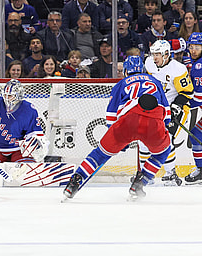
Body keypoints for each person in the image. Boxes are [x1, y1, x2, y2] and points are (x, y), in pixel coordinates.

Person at [63, 56, 171, 200]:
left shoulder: (121, 84)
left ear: (126, 71)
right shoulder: (155, 82)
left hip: (128, 120)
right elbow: (166, 111)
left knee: (100, 154)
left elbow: (111, 115)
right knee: (163, 152)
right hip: (152, 120)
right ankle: (139, 183)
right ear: (144, 70)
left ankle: (75, 181)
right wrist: (163, 127)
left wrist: (116, 136)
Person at [144, 39, 194, 185]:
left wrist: (175, 107)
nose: (155, 58)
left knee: (166, 139)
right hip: (156, 109)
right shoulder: (149, 63)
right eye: (153, 54)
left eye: (158, 54)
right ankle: (147, 173)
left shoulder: (178, 69)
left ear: (166, 54)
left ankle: (171, 174)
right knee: (146, 140)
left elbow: (187, 92)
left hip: (176, 108)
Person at [183, 32, 202, 184]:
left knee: (196, 133)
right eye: (191, 46)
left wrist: (184, 104)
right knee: (196, 133)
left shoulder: (198, 66)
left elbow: (199, 97)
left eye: (197, 47)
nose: (193, 50)